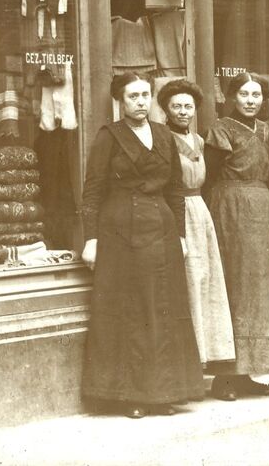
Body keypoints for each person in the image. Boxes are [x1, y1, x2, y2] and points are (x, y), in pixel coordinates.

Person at [80, 73, 204, 418]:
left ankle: (162, 393)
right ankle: (131, 396)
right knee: (132, 311)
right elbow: (92, 192)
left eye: (145, 95)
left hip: (161, 231)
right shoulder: (110, 136)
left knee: (162, 307)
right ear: (120, 100)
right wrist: (91, 239)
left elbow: (176, 189)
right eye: (133, 95)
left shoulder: (164, 134)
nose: (140, 101)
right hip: (121, 232)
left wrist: (180, 235)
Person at [203, 72, 269, 401]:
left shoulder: (267, 131)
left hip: (261, 209)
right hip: (229, 208)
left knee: (258, 289)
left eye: (256, 95)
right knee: (233, 285)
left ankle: (249, 371)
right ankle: (225, 377)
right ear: (232, 96)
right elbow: (208, 178)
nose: (251, 101)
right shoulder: (221, 129)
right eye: (244, 94)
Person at [156, 80, 236, 374]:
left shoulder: (201, 141)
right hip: (177, 211)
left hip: (200, 212)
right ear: (165, 109)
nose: (182, 112)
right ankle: (189, 361)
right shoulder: (161, 138)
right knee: (188, 281)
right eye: (176, 106)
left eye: (188, 106)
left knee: (206, 280)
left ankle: (209, 356)